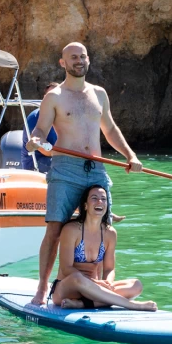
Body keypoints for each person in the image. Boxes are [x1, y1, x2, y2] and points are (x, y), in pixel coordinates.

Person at [26, 42, 143, 306]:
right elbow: (41, 131)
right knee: (55, 230)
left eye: (83, 56)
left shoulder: (99, 94)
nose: (79, 60)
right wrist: (35, 140)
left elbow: (110, 129)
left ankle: (98, 289)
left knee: (102, 228)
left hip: (96, 169)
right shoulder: (54, 96)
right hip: (65, 169)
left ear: (88, 60)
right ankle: (43, 288)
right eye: (73, 57)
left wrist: (130, 155)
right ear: (63, 63)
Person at [49, 185, 156, 311]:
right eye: (94, 198)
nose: (100, 202)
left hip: (95, 289)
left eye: (103, 199)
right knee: (77, 278)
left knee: (136, 285)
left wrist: (108, 283)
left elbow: (109, 268)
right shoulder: (71, 230)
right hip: (67, 288)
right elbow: (66, 269)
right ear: (85, 205)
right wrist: (97, 283)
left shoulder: (110, 233)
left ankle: (83, 304)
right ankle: (132, 305)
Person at [21, 82, 59, 173]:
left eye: (58, 96)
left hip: (56, 157)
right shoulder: (34, 118)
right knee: (64, 167)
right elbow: (45, 150)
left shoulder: (63, 117)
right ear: (44, 98)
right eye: (50, 96)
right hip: (36, 162)